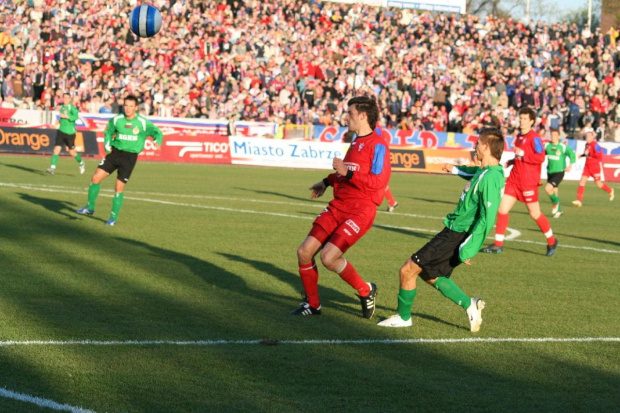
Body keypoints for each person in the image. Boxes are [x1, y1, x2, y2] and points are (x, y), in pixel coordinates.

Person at [377, 128, 505, 331]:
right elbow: (472, 173)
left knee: (408, 269)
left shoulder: (491, 177)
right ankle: (468, 304)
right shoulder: (485, 171)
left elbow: (487, 219)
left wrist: (468, 248)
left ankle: (403, 317)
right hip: (453, 231)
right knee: (429, 273)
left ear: (487, 147)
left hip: (456, 235)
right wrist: (454, 169)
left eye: (478, 143)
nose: (475, 146)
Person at [292, 96, 391, 318]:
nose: (346, 117)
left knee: (328, 258)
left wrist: (349, 172)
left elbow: (379, 183)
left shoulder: (379, 146)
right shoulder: (355, 141)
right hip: (338, 206)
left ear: (363, 116)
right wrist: (327, 182)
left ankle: (366, 290)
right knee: (304, 252)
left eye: (350, 113)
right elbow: (346, 172)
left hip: (360, 211)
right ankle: (313, 305)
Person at [75, 95, 163, 226]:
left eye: (131, 106)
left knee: (118, 187)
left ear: (136, 108)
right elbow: (108, 132)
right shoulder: (117, 120)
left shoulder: (143, 123)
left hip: (129, 157)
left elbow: (157, 132)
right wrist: (106, 143)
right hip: (115, 153)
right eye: (125, 105)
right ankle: (89, 207)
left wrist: (157, 141)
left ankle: (112, 218)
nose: (127, 109)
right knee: (95, 178)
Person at [483, 107, 559, 256]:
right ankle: (498, 244)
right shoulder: (518, 136)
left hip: (528, 183)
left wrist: (523, 154)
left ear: (531, 121)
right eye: (521, 118)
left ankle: (551, 240)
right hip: (514, 180)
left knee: (534, 213)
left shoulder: (535, 138)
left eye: (525, 119)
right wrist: (512, 161)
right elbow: (521, 157)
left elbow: (540, 157)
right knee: (502, 209)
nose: (522, 121)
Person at [46, 93, 85, 175]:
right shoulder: (62, 107)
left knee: (72, 152)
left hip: (70, 133)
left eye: (67, 98)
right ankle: (52, 168)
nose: (66, 99)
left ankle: (81, 162)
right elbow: (62, 118)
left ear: (70, 99)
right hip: (61, 131)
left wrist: (67, 117)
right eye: (64, 98)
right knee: (56, 149)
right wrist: (59, 121)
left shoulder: (72, 108)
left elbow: (76, 117)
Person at [572, 131, 614, 206]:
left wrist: (589, 154)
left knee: (598, 184)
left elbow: (599, 156)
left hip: (595, 167)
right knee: (582, 182)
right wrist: (581, 155)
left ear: (592, 137)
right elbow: (586, 154)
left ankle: (610, 190)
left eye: (588, 136)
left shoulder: (596, 145)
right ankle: (579, 201)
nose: (587, 137)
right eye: (586, 136)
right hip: (587, 166)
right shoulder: (587, 144)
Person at [544, 128, 576, 218]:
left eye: (555, 135)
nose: (553, 137)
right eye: (552, 135)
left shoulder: (562, 146)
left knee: (547, 189)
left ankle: (555, 203)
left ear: (558, 136)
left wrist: (570, 165)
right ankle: (559, 210)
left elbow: (572, 154)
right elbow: (541, 154)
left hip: (559, 172)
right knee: (554, 191)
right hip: (550, 171)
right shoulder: (547, 146)